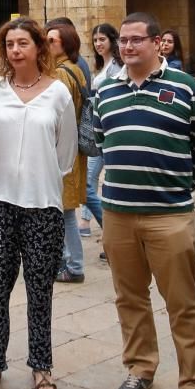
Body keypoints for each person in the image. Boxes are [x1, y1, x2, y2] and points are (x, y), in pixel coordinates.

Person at [95, 12, 195, 389]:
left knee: (183, 303)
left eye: (135, 40)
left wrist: (178, 184)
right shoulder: (106, 91)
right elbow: (99, 141)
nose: (126, 47)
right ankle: (140, 368)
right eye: (122, 41)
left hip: (169, 215)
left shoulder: (186, 88)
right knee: (129, 298)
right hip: (117, 214)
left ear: (156, 43)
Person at [0, 17, 77, 389]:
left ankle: (41, 365)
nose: (16, 50)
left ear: (39, 49)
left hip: (43, 204)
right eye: (10, 44)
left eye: (23, 44)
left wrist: (37, 172)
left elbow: (65, 154)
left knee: (39, 288)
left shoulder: (59, 93)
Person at [46, 20, 87, 283]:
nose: (46, 44)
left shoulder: (61, 73)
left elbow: (58, 117)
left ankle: (73, 265)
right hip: (71, 150)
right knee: (65, 209)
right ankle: (68, 261)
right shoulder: (75, 68)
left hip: (62, 151)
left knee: (65, 212)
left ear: (65, 45)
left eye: (52, 41)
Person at [79, 23, 122, 243]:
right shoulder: (102, 65)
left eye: (102, 39)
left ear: (112, 40)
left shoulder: (116, 67)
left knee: (102, 181)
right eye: (95, 40)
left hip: (109, 130)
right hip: (97, 130)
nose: (98, 44)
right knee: (89, 179)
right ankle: (88, 223)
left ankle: (111, 233)